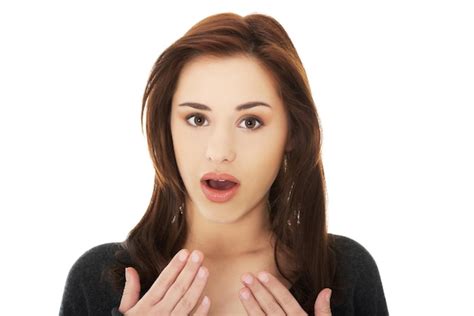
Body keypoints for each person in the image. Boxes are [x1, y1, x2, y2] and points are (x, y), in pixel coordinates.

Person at [59, 12, 389, 316]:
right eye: (197, 118)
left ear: (293, 134)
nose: (219, 152)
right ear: (166, 127)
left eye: (250, 122)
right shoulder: (97, 279)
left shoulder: (346, 272)